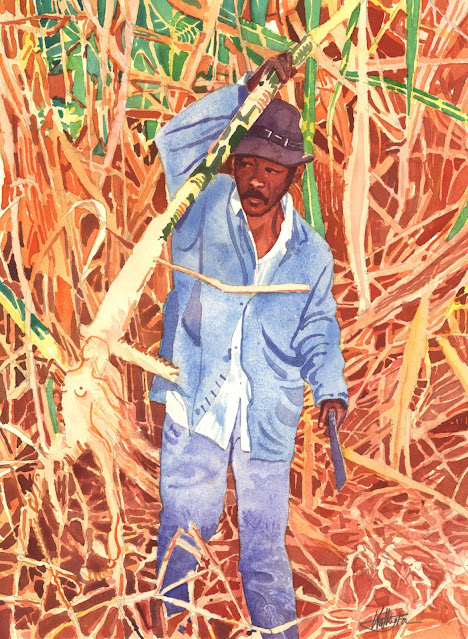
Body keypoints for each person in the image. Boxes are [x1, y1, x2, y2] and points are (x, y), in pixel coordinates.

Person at [149, 52, 348, 639]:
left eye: (275, 169)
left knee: (264, 552)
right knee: (183, 533)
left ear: (295, 177)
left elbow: (318, 327)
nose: (259, 180)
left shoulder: (311, 255)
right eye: (250, 163)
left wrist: (330, 387)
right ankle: (169, 629)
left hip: (267, 418)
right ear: (235, 162)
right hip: (197, 406)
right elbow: (174, 139)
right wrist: (242, 95)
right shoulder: (198, 210)